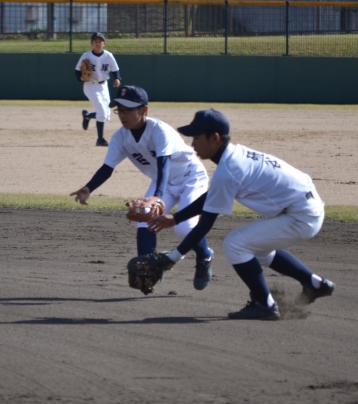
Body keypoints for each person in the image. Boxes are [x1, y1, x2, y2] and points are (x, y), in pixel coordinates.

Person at [148, 109, 335, 320]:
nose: (193, 144)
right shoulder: (235, 156)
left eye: (197, 138)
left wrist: (173, 257)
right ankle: (314, 284)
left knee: (235, 244)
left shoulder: (229, 169)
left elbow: (205, 224)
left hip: (302, 216)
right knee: (256, 249)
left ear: (215, 138)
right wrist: (176, 218)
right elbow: (213, 195)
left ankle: (265, 304)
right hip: (305, 207)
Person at [70, 86, 214, 290]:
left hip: (190, 177)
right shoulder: (120, 137)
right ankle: (147, 271)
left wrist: (157, 197)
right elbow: (107, 168)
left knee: (184, 228)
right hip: (161, 182)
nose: (123, 115)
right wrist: (88, 188)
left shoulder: (159, 130)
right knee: (145, 218)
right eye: (120, 110)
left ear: (144, 110)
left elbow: (164, 164)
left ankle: (205, 256)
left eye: (128, 110)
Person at [75, 32, 121, 147]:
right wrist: (80, 78)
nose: (98, 43)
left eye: (100, 41)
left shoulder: (108, 56)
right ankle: (100, 139)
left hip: (103, 86)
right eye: (95, 41)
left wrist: (117, 79)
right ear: (92, 43)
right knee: (102, 113)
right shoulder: (86, 56)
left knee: (106, 115)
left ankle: (87, 115)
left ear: (104, 43)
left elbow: (115, 70)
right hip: (90, 86)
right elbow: (77, 70)